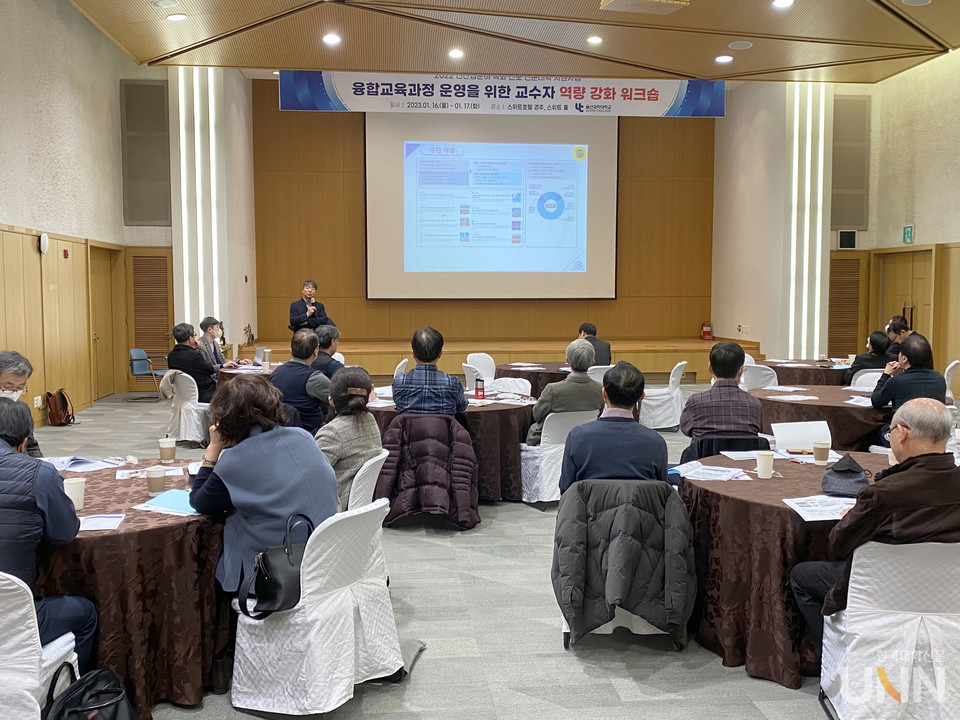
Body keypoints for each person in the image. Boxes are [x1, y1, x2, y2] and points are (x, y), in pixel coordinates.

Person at [789, 398, 960, 653]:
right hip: (948, 594)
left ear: (901, 433)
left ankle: (834, 657)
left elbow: (838, 545)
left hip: (887, 592)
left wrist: (852, 515)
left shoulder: (884, 494)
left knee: (801, 575)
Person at [189, 375, 337, 593]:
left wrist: (213, 449)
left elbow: (199, 501)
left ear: (225, 420)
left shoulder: (235, 460)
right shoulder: (304, 437)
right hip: (325, 561)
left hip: (274, 575)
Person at [0, 398, 97, 672]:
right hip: (11, 619)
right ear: (22, 443)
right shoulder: (37, 473)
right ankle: (67, 696)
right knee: (84, 612)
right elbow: (64, 534)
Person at [559, 361, 668, 494]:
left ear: (604, 394)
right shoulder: (656, 442)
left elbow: (566, 489)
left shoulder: (578, 436)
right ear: (642, 396)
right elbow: (661, 491)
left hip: (588, 513)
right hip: (640, 514)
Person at [315, 367, 382, 510]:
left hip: (333, 508)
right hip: (358, 506)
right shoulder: (370, 420)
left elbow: (309, 475)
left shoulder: (333, 432)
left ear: (330, 399)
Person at [525, 339, 603, 446]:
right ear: (592, 362)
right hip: (586, 441)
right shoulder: (600, 389)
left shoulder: (552, 390)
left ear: (567, 360)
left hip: (550, 443)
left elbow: (536, 415)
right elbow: (599, 415)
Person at [679, 341, 762, 440]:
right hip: (744, 454)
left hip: (705, 455)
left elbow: (685, 429)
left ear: (710, 368)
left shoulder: (695, 402)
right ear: (741, 370)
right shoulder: (754, 403)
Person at [392, 327, 467, 416]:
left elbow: (397, 404)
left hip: (409, 429)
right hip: (442, 430)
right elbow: (462, 406)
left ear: (413, 354)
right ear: (440, 354)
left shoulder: (399, 382)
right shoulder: (452, 383)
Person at [269, 329, 331, 434]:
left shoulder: (276, 372)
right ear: (315, 352)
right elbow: (339, 398)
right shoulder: (314, 378)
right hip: (310, 433)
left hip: (279, 431)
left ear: (291, 349)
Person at [871, 333, 946, 414]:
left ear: (904, 359)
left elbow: (876, 402)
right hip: (933, 425)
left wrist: (886, 374)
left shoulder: (896, 381)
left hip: (904, 426)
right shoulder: (940, 379)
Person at [0, 350, 42, 457]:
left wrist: (41, 466)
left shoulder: (21, 409)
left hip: (22, 468)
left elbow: (32, 447)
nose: (14, 392)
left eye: (20, 387)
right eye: (8, 387)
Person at [167, 323, 218, 403]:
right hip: (204, 393)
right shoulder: (195, 355)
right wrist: (197, 349)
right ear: (190, 338)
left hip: (183, 394)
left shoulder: (171, 355)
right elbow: (210, 370)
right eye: (194, 335)